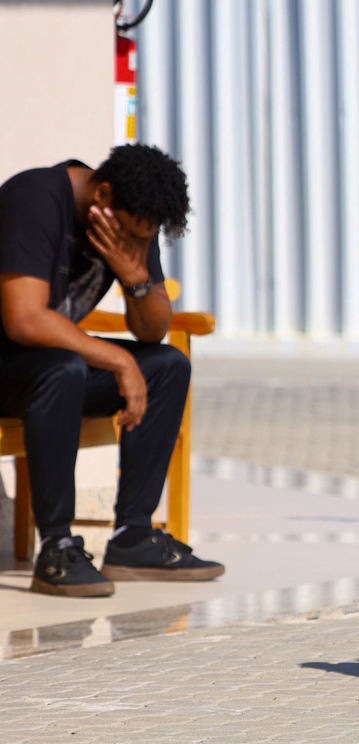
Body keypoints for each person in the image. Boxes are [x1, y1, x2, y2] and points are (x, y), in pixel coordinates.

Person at [0, 144, 224, 596]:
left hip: (47, 370)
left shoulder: (134, 220)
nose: (138, 243)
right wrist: (117, 359)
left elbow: (152, 331)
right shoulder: (35, 198)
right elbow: (23, 319)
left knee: (167, 366)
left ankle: (132, 538)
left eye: (146, 237)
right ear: (102, 193)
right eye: (131, 235)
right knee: (63, 368)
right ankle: (58, 548)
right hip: (12, 364)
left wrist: (134, 276)